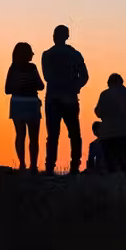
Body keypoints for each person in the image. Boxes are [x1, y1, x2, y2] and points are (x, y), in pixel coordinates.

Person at [41, 25, 89, 175]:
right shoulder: (75, 54)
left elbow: (47, 77)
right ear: (67, 37)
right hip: (69, 98)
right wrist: (75, 86)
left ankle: (50, 167)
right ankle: (74, 167)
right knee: (74, 134)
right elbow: (85, 76)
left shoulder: (47, 55)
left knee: (53, 135)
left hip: (53, 99)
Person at [5, 42, 45, 172]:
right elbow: (41, 85)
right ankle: (33, 166)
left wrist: (19, 87)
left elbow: (7, 89)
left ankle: (22, 164)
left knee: (20, 135)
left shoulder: (13, 68)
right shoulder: (32, 68)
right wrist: (29, 86)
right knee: (34, 137)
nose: (33, 54)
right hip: (31, 102)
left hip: (17, 103)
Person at [94, 73, 126, 172]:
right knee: (125, 160)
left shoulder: (104, 94)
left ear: (109, 83)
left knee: (110, 162)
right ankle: (125, 182)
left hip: (108, 134)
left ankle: (112, 182)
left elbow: (98, 112)